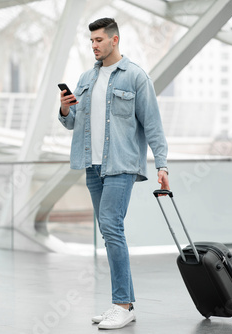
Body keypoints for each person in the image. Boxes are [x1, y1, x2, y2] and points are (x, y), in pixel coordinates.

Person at [58, 18, 170, 330]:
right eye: (91, 41)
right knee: (110, 233)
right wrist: (66, 108)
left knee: (111, 227)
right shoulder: (85, 78)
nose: (93, 46)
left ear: (114, 40)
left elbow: (152, 125)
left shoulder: (135, 76)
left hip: (121, 165)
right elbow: (72, 122)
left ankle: (122, 304)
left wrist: (162, 165)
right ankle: (123, 303)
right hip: (93, 167)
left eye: (98, 40)